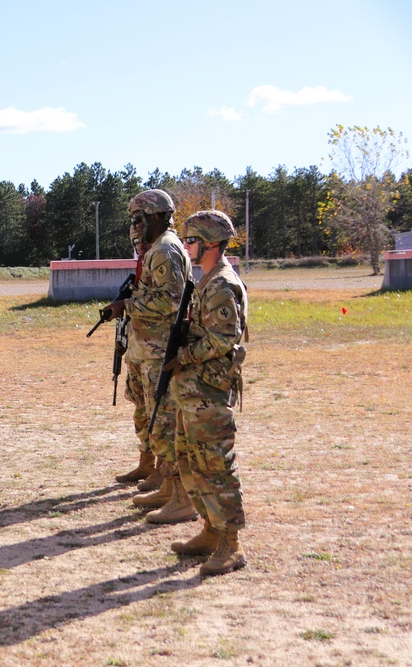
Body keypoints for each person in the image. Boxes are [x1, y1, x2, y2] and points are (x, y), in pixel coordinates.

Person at [102, 189, 196, 524]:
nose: (135, 226)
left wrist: (126, 305)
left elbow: (170, 301)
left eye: (139, 219)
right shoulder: (154, 249)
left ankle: (175, 491)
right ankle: (155, 473)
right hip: (145, 345)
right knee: (147, 412)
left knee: (164, 419)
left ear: (156, 216)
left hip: (160, 348)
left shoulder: (168, 250)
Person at [167, 210, 248, 576]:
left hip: (210, 391)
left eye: (191, 241)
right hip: (194, 391)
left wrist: (183, 355)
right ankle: (211, 530)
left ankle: (230, 544)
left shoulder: (221, 285)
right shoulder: (207, 280)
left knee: (215, 466)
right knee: (192, 461)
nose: (186, 247)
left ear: (210, 244)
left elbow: (224, 338)